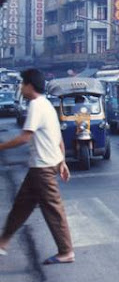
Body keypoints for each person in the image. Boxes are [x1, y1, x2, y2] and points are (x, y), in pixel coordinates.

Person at [0, 69, 74, 264]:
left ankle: (66, 252)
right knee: (21, 207)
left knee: (53, 210)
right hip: (41, 167)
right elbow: (58, 138)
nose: (21, 88)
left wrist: (0, 146)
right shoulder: (47, 105)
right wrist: (62, 161)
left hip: (43, 169)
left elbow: (25, 137)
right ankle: (3, 242)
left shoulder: (36, 105)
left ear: (30, 86)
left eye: (22, 84)